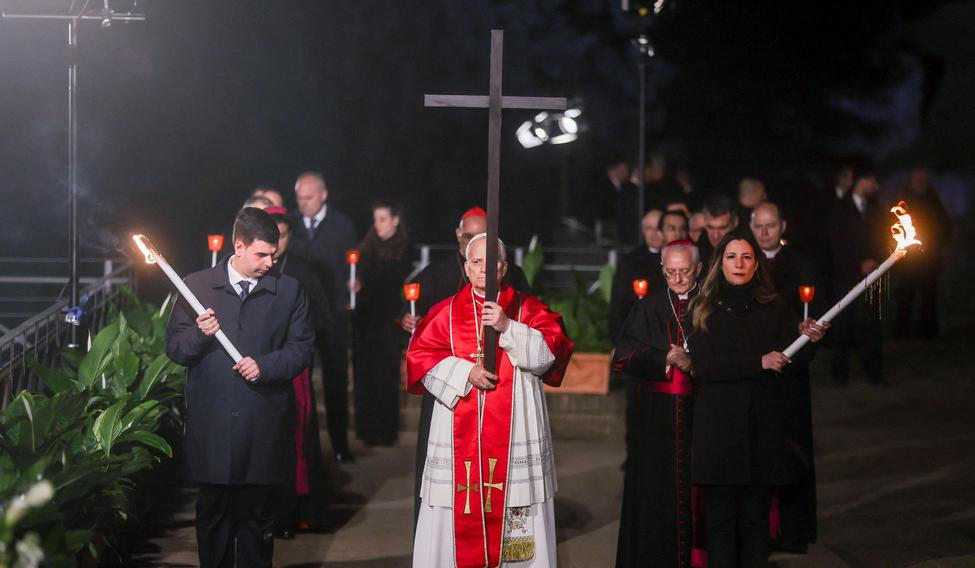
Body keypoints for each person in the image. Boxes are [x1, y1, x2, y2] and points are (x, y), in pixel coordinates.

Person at [407, 233, 573, 567]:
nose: (483, 269)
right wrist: (463, 372)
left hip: (515, 439)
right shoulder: (445, 313)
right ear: (466, 267)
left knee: (516, 504)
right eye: (476, 261)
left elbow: (548, 356)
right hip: (458, 445)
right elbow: (418, 359)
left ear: (504, 267)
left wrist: (508, 326)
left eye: (491, 261)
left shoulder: (529, 308)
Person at [166, 207, 315, 567]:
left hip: (263, 424)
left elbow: (301, 350)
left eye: (274, 255)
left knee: (257, 522)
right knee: (213, 518)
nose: (269, 263)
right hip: (212, 427)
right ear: (238, 246)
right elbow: (176, 349)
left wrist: (264, 366)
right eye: (262, 254)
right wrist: (201, 335)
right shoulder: (197, 287)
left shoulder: (289, 291)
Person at [687, 231, 826, 568]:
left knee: (755, 525)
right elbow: (704, 367)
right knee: (720, 524)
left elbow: (791, 362)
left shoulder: (774, 306)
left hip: (761, 432)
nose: (739, 263)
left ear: (756, 264)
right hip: (719, 433)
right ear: (720, 263)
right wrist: (757, 362)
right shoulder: (703, 308)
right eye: (732, 256)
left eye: (747, 257)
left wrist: (808, 340)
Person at [402, 206, 532, 529]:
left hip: (496, 390)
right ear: (459, 237)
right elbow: (416, 319)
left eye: (484, 234)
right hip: (450, 391)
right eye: (470, 236)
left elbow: (531, 323)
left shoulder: (511, 275)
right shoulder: (436, 272)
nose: (477, 242)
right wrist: (412, 322)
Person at [612, 240, 706, 568]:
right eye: (671, 272)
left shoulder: (712, 305)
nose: (678, 278)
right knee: (656, 498)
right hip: (656, 422)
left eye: (684, 271)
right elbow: (622, 356)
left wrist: (694, 361)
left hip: (702, 416)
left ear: (698, 269)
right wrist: (664, 358)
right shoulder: (649, 306)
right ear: (662, 270)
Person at [749, 202, 822, 551]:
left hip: (791, 377)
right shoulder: (743, 262)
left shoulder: (802, 264)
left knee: (792, 451)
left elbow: (815, 315)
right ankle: (759, 530)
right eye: (759, 226)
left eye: (771, 225)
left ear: (783, 225)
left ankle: (792, 531)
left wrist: (809, 331)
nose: (765, 232)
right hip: (755, 372)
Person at [265, 206, 332, 539]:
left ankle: (295, 510)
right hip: (258, 364)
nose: (275, 246)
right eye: (269, 237)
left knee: (296, 437)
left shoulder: (302, 272)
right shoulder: (253, 270)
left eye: (282, 236)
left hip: (292, 367)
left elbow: (323, 317)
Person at [288, 171, 359, 463]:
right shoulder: (289, 225)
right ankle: (300, 448)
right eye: (300, 198)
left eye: (309, 197)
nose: (303, 203)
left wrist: (357, 281)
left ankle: (340, 444)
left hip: (333, 316)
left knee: (335, 379)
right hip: (298, 316)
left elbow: (355, 264)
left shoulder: (343, 225)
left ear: (323, 194)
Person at [352, 201, 412, 446]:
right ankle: (366, 430)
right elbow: (360, 275)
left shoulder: (405, 249)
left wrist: (365, 283)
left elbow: (392, 282)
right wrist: (355, 283)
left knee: (385, 377)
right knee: (364, 375)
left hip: (388, 320)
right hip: (365, 319)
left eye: (383, 219)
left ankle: (386, 431)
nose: (377, 225)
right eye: (375, 219)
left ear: (395, 220)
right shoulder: (367, 247)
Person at [828, 169, 887, 385]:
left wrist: (876, 261)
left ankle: (875, 373)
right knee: (843, 324)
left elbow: (885, 236)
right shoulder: (839, 208)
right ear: (862, 181)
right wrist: (857, 264)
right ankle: (839, 374)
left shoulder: (876, 208)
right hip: (846, 277)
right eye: (873, 180)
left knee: (872, 325)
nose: (876, 186)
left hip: (872, 277)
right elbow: (836, 243)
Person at [894, 166, 952, 339]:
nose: (921, 182)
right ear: (912, 180)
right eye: (918, 178)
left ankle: (928, 332)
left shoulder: (933, 199)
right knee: (906, 295)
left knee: (928, 296)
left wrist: (938, 244)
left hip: (930, 258)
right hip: (909, 260)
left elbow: (943, 224)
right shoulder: (903, 200)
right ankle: (901, 332)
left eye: (923, 179)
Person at [609, 209, 664, 342]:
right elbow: (618, 305)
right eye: (649, 228)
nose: (654, 233)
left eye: (658, 228)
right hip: (637, 335)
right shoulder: (629, 261)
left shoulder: (677, 260)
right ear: (643, 230)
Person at [699, 195, 739, 267]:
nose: (715, 235)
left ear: (735, 222)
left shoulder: (748, 253)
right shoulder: (696, 254)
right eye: (710, 227)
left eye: (722, 228)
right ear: (704, 222)